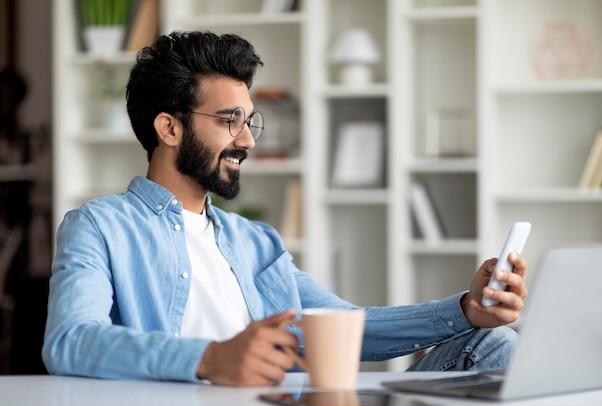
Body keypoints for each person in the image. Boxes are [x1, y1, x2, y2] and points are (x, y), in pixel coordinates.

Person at [42, 30, 528, 386]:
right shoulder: (99, 226)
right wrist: (210, 359)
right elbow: (70, 340)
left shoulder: (254, 242)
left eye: (249, 120)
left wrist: (466, 310)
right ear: (169, 129)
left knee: (491, 342)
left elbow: (344, 328)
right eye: (229, 121)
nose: (248, 139)